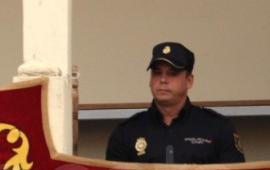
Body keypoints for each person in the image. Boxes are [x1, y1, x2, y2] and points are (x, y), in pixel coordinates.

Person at [105, 42, 245, 163]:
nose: (163, 79)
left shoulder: (218, 128)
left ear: (189, 81)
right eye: (157, 73)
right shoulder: (126, 132)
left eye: (172, 73)